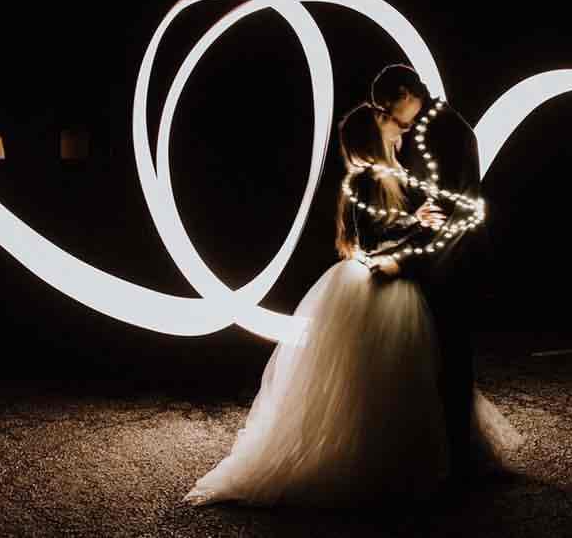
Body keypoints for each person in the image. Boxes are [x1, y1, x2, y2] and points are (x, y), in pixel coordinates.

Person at [182, 101, 523, 508]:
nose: (398, 124)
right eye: (388, 121)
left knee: (406, 376)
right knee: (375, 381)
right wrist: (416, 222)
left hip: (397, 281)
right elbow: (370, 233)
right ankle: (380, 463)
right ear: (373, 135)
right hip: (374, 283)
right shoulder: (362, 180)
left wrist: (420, 221)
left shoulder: (398, 173)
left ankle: (415, 457)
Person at [367, 63, 493, 489]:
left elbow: (463, 212)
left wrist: (411, 261)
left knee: (451, 362)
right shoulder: (428, 129)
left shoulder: (448, 131)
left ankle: (457, 464)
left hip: (449, 267)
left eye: (389, 104)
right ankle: (442, 458)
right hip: (433, 261)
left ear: (407, 92)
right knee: (432, 362)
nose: (389, 114)